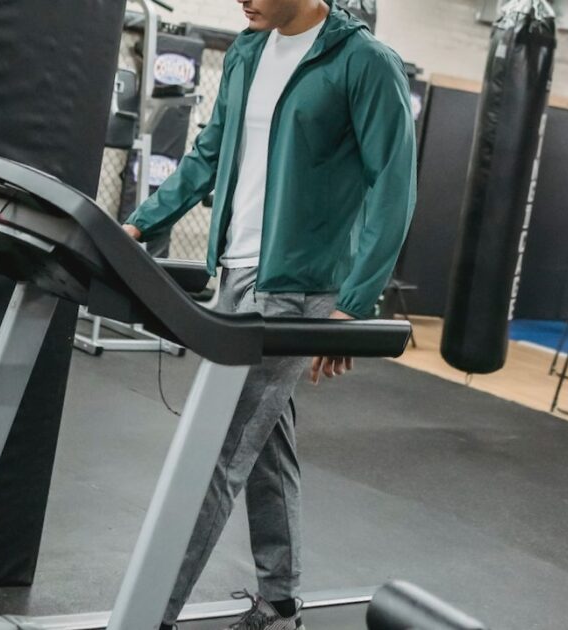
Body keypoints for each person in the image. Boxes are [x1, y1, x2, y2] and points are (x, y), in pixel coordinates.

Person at [122, 0, 417, 628]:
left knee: (217, 452)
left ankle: (152, 612)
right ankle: (280, 603)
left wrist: (354, 304)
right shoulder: (248, 51)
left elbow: (393, 184)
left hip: (295, 289)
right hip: (234, 272)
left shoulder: (363, 62)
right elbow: (206, 156)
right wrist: (138, 224)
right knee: (265, 444)